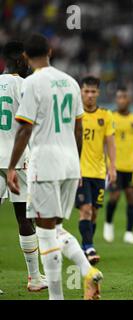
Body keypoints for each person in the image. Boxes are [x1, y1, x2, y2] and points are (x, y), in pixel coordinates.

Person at [7, 33, 103, 300]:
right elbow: (79, 127)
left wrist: (13, 166)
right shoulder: (71, 82)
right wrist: (79, 165)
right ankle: (87, 270)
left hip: (45, 163)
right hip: (71, 164)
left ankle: (57, 296)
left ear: (25, 56)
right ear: (50, 50)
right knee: (57, 229)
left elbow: (25, 129)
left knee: (45, 232)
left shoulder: (32, 83)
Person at [0, 40, 47, 292]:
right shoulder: (26, 86)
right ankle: (35, 278)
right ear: (19, 60)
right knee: (25, 217)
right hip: (18, 160)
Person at [76, 76, 116, 264]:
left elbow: (110, 143)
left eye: (93, 92)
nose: (90, 95)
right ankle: (89, 248)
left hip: (99, 172)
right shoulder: (75, 115)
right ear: (81, 92)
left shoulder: (106, 116)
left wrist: (112, 167)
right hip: (79, 172)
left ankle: (85, 246)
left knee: (93, 212)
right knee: (84, 210)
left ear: (98, 93)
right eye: (86, 91)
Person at [104, 86, 133, 244]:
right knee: (115, 196)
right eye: (118, 97)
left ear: (129, 100)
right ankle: (108, 223)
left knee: (131, 197)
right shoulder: (110, 117)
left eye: (124, 97)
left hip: (132, 166)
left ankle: (129, 232)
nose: (121, 100)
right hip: (115, 165)